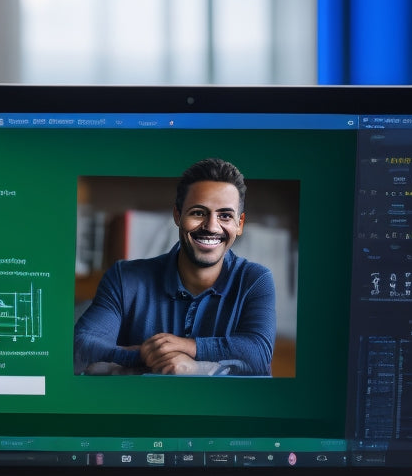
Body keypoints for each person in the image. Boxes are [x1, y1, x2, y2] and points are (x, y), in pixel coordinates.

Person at [74, 158, 276, 376]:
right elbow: (82, 346)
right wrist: (148, 355)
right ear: (177, 216)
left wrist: (189, 353)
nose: (211, 226)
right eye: (198, 212)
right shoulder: (124, 278)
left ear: (240, 224)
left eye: (225, 216)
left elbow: (258, 353)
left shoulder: (256, 279)